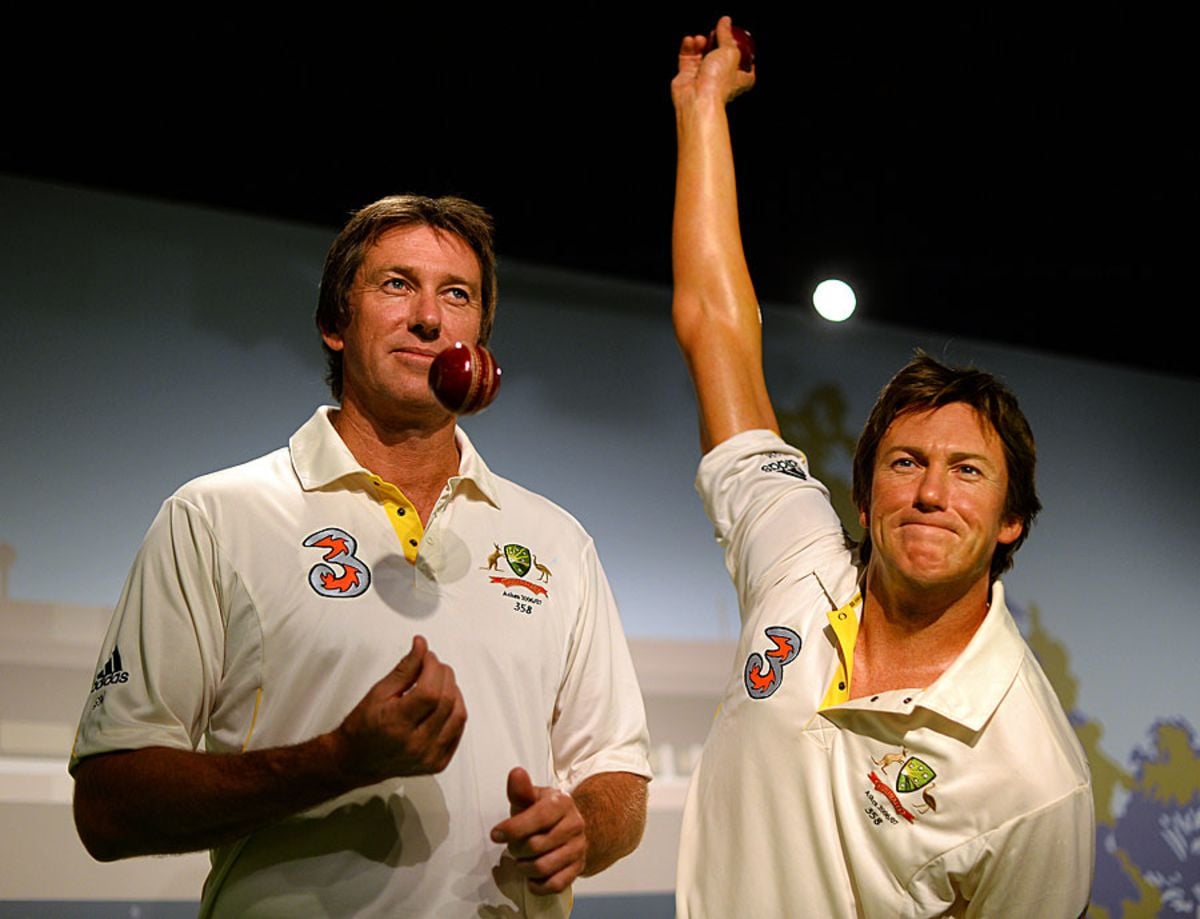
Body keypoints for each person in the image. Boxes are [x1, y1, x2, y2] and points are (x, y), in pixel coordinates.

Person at [70, 195, 651, 918]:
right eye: (396, 284)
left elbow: (617, 772)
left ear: (480, 336)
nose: (430, 318)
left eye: (457, 294)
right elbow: (109, 804)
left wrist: (583, 828)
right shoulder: (215, 517)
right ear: (332, 324)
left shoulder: (558, 540)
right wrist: (338, 760)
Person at [670, 18, 1094, 917]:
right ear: (863, 493)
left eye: (969, 472)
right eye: (906, 462)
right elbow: (718, 325)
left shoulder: (1035, 774)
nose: (932, 492)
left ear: (1013, 518)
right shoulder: (799, 567)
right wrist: (703, 110)